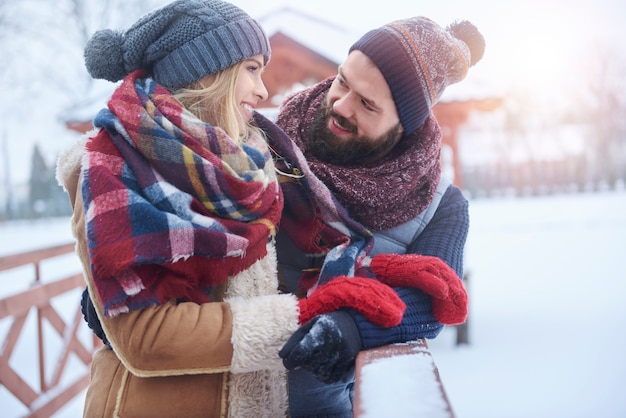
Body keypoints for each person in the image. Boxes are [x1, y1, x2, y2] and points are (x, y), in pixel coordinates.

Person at [56, 1, 413, 416]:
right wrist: (299, 316)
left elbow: (293, 262)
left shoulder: (249, 164)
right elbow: (145, 338)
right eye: (251, 68)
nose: (263, 91)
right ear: (207, 72)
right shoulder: (110, 168)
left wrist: (385, 273)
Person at [273, 16, 485, 417]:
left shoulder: (440, 205)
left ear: (404, 126)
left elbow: (432, 298)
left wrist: (350, 329)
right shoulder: (265, 142)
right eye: (342, 80)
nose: (341, 105)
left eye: (368, 104)